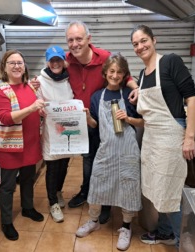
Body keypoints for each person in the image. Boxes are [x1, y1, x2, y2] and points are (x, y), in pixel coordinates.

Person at [130, 24, 195, 248]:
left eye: (144, 41)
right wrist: (136, 93)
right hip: (151, 137)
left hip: (170, 136)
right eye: (136, 44)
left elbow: (192, 99)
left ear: (154, 40)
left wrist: (189, 137)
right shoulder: (142, 75)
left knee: (169, 191)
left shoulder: (170, 62)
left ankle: (181, 242)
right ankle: (165, 232)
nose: (140, 46)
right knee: (156, 189)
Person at [64, 20, 139, 224]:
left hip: (108, 126)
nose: (75, 43)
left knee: (110, 165)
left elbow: (125, 75)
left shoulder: (105, 57)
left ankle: (106, 205)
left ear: (89, 39)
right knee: (90, 162)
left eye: (79, 38)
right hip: (88, 120)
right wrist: (37, 79)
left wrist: (137, 88)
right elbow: (52, 71)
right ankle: (87, 193)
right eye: (70, 40)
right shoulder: (67, 60)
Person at [75, 53, 143, 251]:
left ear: (124, 75)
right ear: (105, 73)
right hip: (106, 149)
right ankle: (93, 220)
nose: (115, 75)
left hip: (128, 150)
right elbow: (96, 125)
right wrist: (87, 118)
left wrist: (128, 119)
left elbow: (143, 122)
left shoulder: (130, 96)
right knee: (97, 182)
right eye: (111, 71)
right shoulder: (97, 96)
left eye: (119, 72)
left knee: (128, 185)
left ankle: (126, 227)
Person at [0, 49, 46, 241]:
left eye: (20, 63)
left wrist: (39, 112)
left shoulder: (29, 87)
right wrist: (31, 108)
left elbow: (33, 111)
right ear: (4, 68)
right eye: (12, 63)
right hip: (11, 147)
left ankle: (27, 208)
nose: (16, 66)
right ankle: (6, 221)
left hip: (30, 144)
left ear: (24, 67)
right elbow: (6, 118)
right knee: (7, 186)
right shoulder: (0, 90)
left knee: (28, 178)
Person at [37, 45, 74, 223]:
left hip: (66, 129)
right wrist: (40, 109)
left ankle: (58, 191)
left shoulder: (69, 79)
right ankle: (53, 203)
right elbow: (35, 102)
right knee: (52, 166)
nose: (55, 63)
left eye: (58, 59)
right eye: (52, 60)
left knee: (64, 164)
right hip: (51, 132)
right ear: (48, 62)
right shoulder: (39, 80)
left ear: (63, 61)